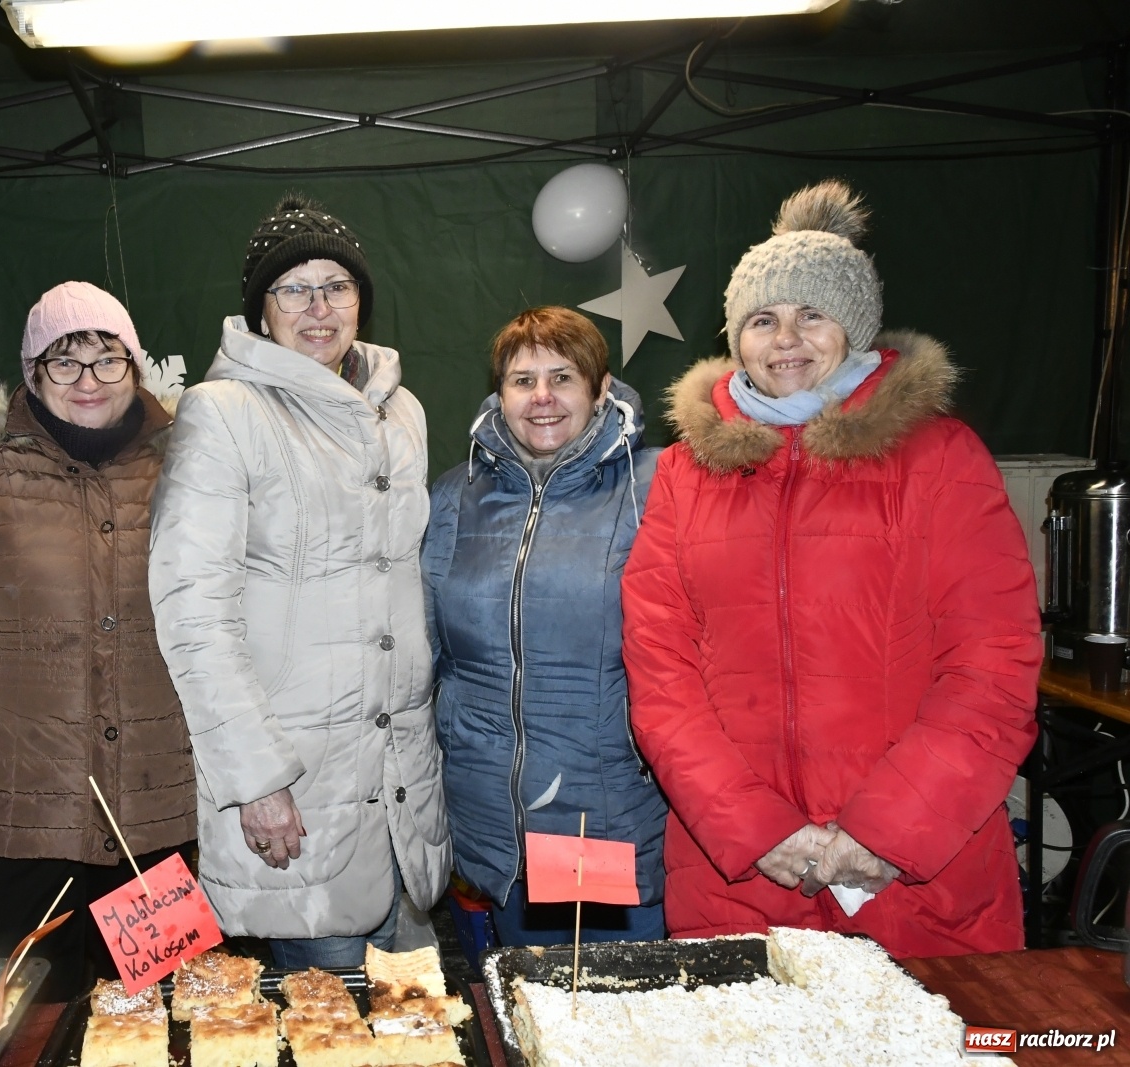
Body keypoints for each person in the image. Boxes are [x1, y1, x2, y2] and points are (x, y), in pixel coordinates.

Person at [621, 180, 1040, 958]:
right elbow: (660, 672)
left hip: (911, 882)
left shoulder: (940, 458)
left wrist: (880, 834)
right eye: (762, 319)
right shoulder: (686, 473)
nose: (787, 338)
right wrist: (757, 831)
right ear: (735, 335)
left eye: (812, 314)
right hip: (740, 880)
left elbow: (993, 667)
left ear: (854, 327)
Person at [148, 196, 450, 969]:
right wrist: (256, 780)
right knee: (323, 1024)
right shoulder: (224, 413)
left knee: (412, 1031)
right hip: (298, 786)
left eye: (337, 285)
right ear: (261, 309)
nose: (319, 307)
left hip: (400, 788)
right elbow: (194, 613)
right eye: (294, 288)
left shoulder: (401, 411)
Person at [0, 282, 195, 999]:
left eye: (107, 359)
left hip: (158, 823)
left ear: (136, 366)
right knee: (28, 1025)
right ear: (32, 374)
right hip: (16, 827)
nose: (88, 381)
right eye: (65, 363)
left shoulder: (184, 470)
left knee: (161, 1020)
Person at [422, 306, 667, 946]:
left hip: (605, 817)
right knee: (527, 1021)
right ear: (499, 394)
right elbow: (425, 655)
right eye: (522, 380)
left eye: (563, 376)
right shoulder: (453, 497)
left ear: (601, 387)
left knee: (613, 1027)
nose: (543, 398)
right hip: (491, 826)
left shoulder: (658, 486)